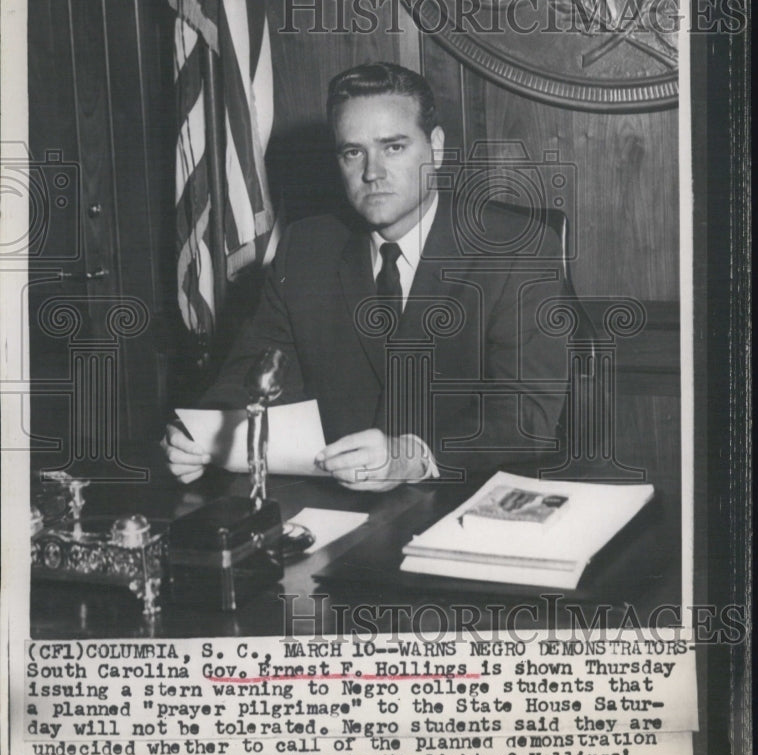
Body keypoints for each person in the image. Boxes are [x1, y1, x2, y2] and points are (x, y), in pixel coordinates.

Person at [162, 62, 567, 491]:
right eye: (353, 152)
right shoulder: (306, 248)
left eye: (393, 147)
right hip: (335, 506)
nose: (372, 173)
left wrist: (412, 457)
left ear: (436, 148)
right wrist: (199, 434)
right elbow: (250, 377)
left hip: (461, 500)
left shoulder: (516, 247)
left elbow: (528, 415)